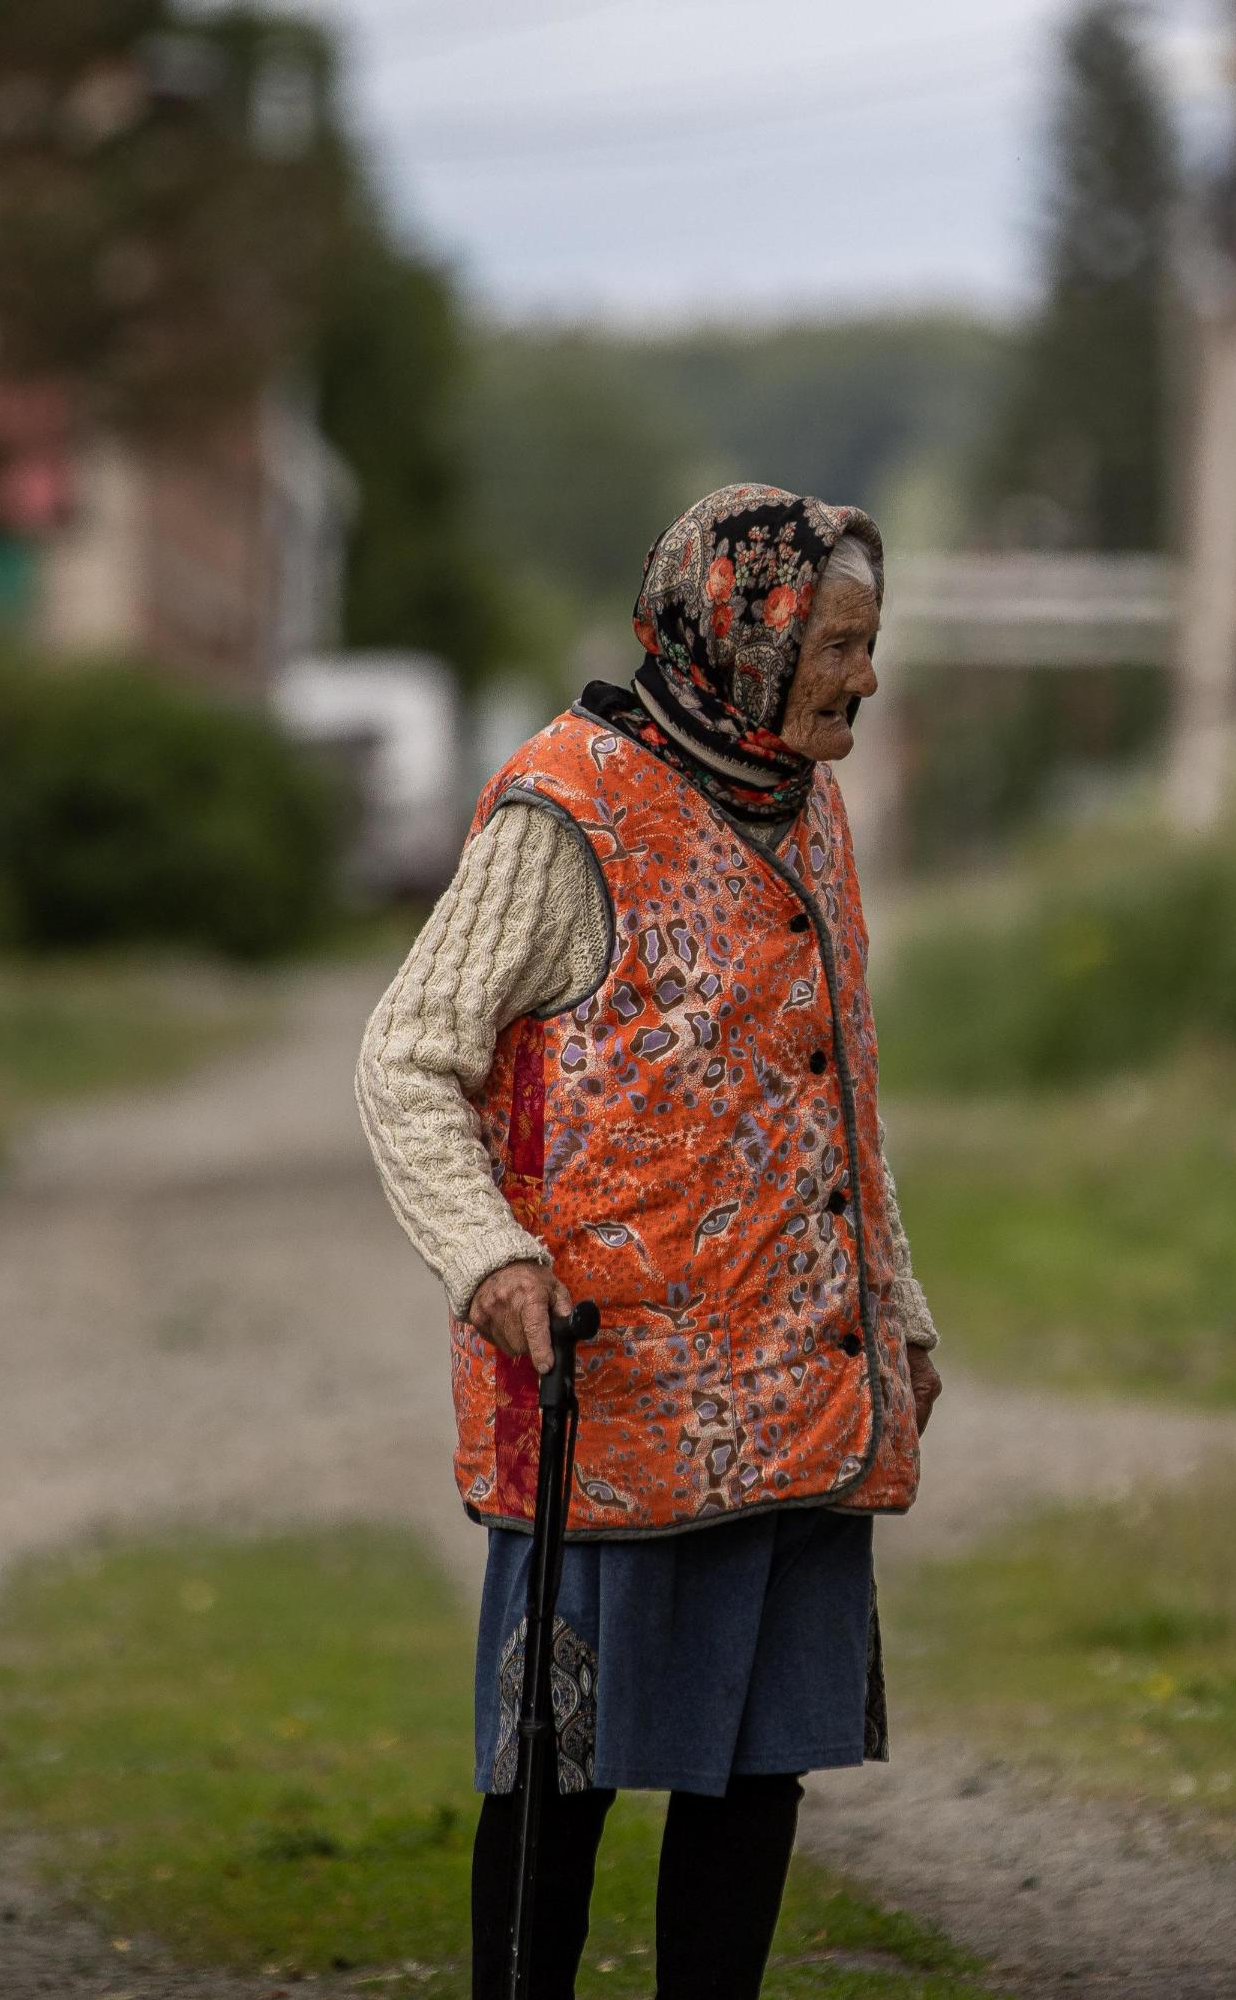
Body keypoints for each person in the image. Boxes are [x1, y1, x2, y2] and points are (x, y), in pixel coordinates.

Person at [355, 484, 943, 2000]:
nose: (866, 677)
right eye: (842, 643)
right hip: (617, 1408)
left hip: (805, 1394)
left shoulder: (803, 800)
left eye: (873, 644)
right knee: (563, 1778)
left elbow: (832, 1093)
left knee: (756, 1776)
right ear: (740, 635)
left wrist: (900, 1307)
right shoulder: (571, 806)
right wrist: (488, 1259)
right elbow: (409, 1055)